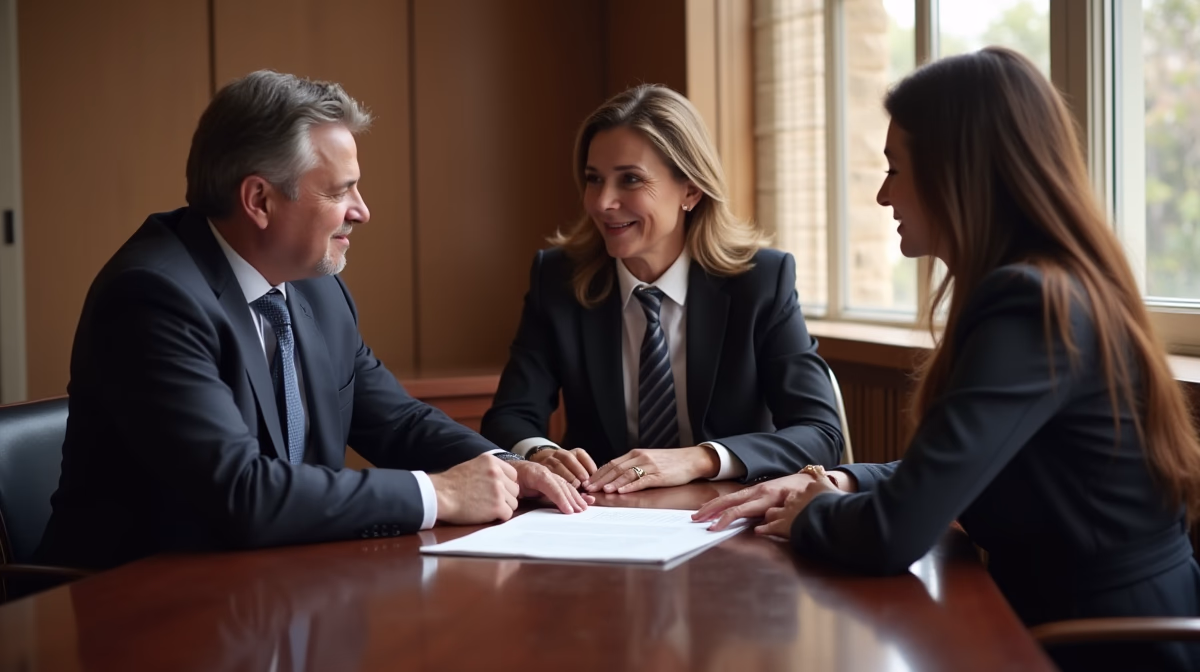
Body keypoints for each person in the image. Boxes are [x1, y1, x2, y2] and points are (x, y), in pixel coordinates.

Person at [695, 47, 1200, 671]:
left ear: (958, 173)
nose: (883, 196)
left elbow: (893, 534)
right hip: (1067, 623)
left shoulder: (1029, 303)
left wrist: (813, 513)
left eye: (894, 169)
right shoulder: (1047, 284)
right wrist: (844, 480)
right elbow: (967, 465)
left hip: (1103, 644)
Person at [36, 70, 588, 571]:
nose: (362, 210)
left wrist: (505, 465)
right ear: (259, 199)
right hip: (137, 607)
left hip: (270, 588)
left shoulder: (318, 289)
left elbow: (396, 421)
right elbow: (241, 493)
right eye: (341, 190)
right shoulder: (153, 298)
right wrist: (437, 494)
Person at [480, 84, 843, 496]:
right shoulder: (558, 279)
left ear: (690, 190)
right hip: (601, 518)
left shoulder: (760, 280)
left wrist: (698, 458)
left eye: (630, 179)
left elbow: (821, 432)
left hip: (726, 516)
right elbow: (509, 417)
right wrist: (540, 452)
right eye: (593, 179)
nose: (602, 203)